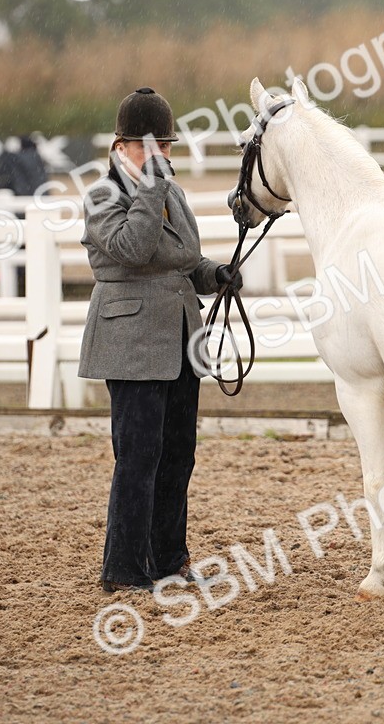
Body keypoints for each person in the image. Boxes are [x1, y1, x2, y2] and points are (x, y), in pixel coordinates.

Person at [78, 87, 242, 593]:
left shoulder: (169, 191)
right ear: (120, 145)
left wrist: (215, 274)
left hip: (179, 340)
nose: (161, 155)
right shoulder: (102, 196)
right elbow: (134, 246)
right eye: (151, 146)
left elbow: (183, 257)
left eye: (166, 146)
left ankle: (170, 560)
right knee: (139, 456)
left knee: (178, 454)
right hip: (131, 341)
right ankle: (124, 570)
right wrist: (151, 186)